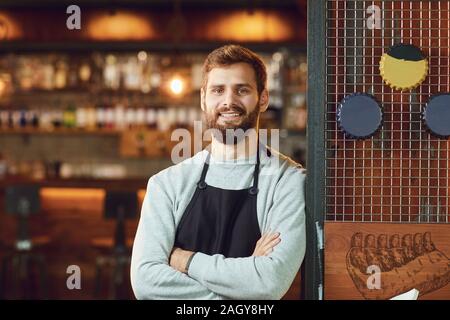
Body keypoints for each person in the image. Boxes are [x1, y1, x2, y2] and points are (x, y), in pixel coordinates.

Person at [130, 44, 306, 299]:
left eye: (242, 90)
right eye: (218, 90)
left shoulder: (288, 182)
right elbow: (146, 282)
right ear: (204, 99)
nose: (228, 101)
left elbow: (269, 283)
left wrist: (186, 260)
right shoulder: (166, 185)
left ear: (263, 98)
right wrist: (243, 288)